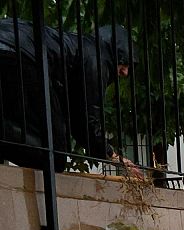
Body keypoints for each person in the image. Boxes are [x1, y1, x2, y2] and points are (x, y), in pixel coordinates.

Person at [0, 21, 137, 174]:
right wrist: (113, 156)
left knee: (38, 137)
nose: (125, 73)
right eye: (125, 63)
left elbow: (78, 121)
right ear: (116, 51)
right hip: (20, 56)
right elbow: (87, 120)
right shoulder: (97, 58)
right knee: (55, 155)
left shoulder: (80, 49)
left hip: (12, 48)